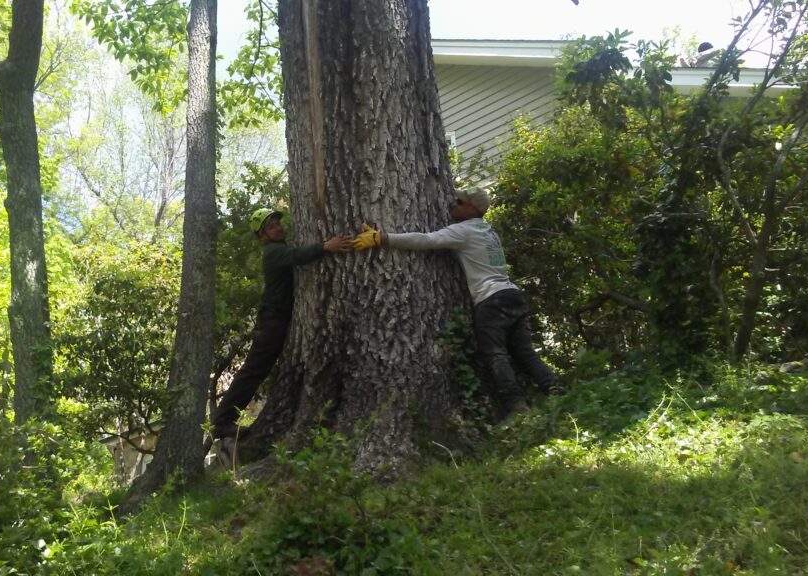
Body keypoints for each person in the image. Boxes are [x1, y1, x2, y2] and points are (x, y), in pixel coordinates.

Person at [354, 187, 560, 423]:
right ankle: (555, 392)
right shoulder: (488, 231)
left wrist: (383, 238)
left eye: (459, 202)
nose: (453, 205)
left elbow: (427, 240)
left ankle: (517, 407)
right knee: (525, 353)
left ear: (472, 208)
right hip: (511, 294)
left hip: (491, 301)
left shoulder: (465, 231)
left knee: (496, 354)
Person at [211, 209, 352, 466]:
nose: (277, 227)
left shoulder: (278, 248)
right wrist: (326, 246)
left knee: (258, 368)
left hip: (277, 318)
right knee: (255, 369)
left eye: (277, 223)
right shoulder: (273, 252)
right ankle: (222, 423)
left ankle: (225, 427)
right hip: (273, 320)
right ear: (262, 235)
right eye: (271, 226)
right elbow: (297, 256)